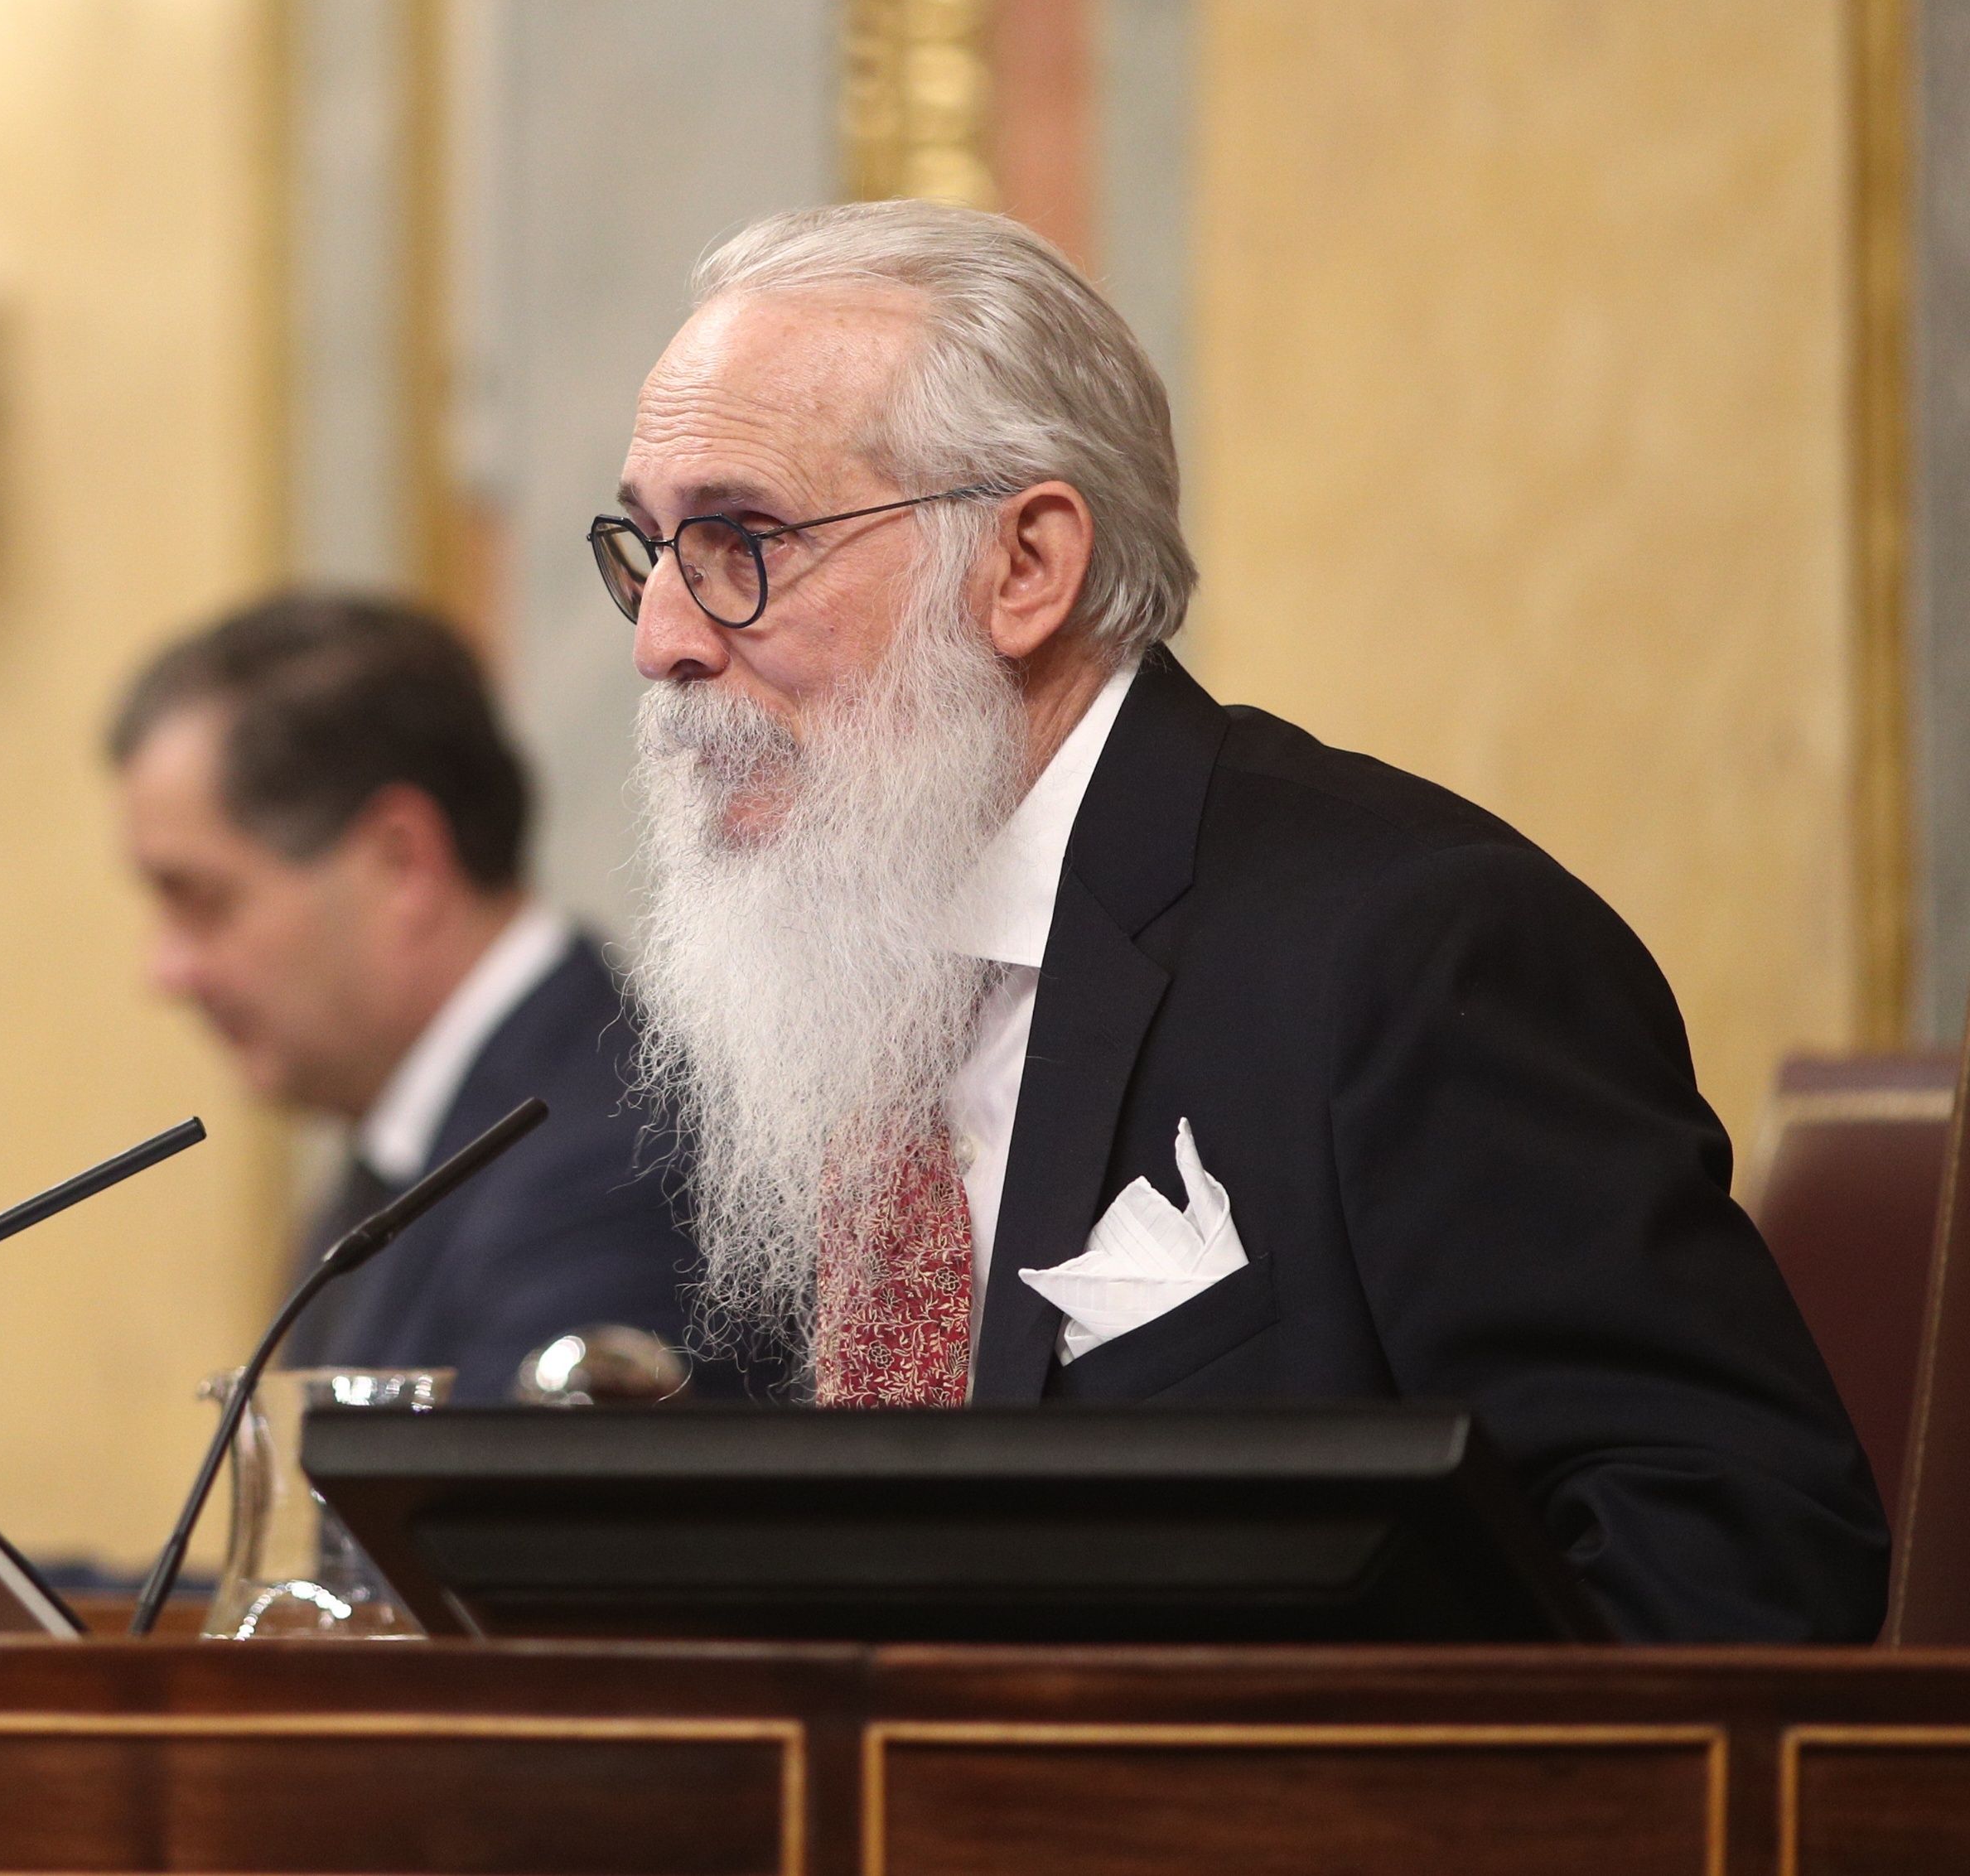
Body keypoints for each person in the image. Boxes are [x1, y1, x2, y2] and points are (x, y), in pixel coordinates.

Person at [600, 199, 1887, 1642]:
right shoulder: (846, 972)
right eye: (644, 549)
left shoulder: (1407, 948)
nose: (662, 636)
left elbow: (1730, 1563)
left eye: (737, 540)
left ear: (1023, 564)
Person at [113, 595, 784, 1404]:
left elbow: (468, 1529)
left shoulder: (607, 1165)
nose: (168, 971)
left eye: (204, 900)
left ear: (402, 862)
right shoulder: (411, 1145)